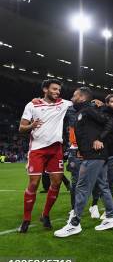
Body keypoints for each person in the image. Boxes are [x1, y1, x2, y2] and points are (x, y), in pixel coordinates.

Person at [54, 87, 113, 237]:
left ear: (82, 97)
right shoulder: (82, 112)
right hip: (94, 155)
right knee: (103, 186)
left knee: (82, 187)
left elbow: (109, 121)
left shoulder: (88, 110)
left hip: (94, 155)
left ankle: (74, 224)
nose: (72, 97)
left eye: (75, 95)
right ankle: (110, 217)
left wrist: (100, 139)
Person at [18, 79, 72, 233]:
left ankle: (45, 215)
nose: (57, 92)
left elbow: (80, 101)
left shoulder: (63, 103)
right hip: (37, 150)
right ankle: (26, 219)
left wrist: (95, 101)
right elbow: (21, 128)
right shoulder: (32, 105)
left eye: (59, 90)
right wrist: (31, 126)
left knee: (56, 183)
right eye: (54, 89)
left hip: (56, 149)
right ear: (45, 89)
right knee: (34, 184)